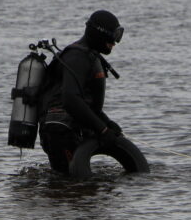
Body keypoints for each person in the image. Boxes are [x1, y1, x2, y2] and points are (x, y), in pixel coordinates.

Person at [38, 10, 126, 174]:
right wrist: (102, 130)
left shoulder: (90, 56)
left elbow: (87, 106)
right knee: (70, 184)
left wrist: (107, 124)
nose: (115, 43)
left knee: (79, 191)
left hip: (71, 129)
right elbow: (71, 99)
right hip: (60, 132)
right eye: (113, 37)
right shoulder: (77, 57)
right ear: (100, 34)